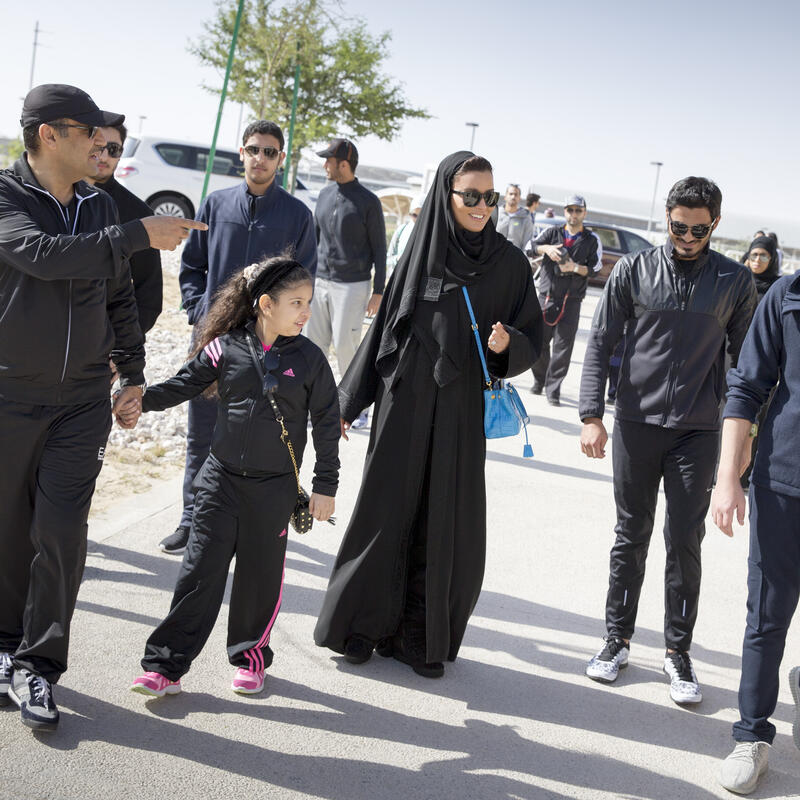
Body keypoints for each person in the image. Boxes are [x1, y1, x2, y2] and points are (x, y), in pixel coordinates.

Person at [0, 83, 204, 732]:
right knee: (8, 532)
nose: (100, 144)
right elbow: (40, 257)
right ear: (49, 135)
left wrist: (135, 376)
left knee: (61, 534)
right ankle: (5, 645)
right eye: (89, 132)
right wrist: (137, 234)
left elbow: (118, 300)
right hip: (8, 397)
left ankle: (38, 666)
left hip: (81, 405)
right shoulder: (5, 198)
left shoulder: (98, 207)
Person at [314, 151, 543, 678]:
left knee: (444, 521)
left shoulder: (508, 264)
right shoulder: (419, 252)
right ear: (446, 195)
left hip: (461, 411)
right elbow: (383, 333)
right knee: (383, 513)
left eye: (490, 196)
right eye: (471, 196)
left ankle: (423, 640)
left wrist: (509, 344)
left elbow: (535, 337)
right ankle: (359, 628)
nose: (483, 206)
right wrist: (350, 401)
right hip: (404, 403)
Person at [124, 256, 339, 698]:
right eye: (296, 302)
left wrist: (325, 487)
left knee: (259, 580)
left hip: (273, 490)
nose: (306, 312)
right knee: (198, 575)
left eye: (309, 302)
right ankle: (164, 666)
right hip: (219, 483)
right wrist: (138, 402)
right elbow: (183, 384)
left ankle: (249, 658)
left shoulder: (312, 359)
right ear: (264, 304)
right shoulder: (226, 348)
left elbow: (327, 423)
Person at [578, 176, 757, 706]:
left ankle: (678, 652)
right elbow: (602, 340)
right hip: (635, 422)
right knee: (630, 534)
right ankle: (616, 640)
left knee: (685, 540)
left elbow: (747, 367)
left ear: (716, 224)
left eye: (699, 229)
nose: (687, 237)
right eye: (678, 227)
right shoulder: (633, 269)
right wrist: (591, 414)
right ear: (666, 218)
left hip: (699, 432)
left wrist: (744, 437)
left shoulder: (734, 281)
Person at [163, 120, 317, 557]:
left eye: (270, 152)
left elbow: (305, 280)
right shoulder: (215, 204)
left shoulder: (297, 216)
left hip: (268, 350)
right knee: (202, 434)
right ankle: (192, 521)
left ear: (281, 159)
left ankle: (248, 528)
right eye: (253, 149)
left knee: (259, 437)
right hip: (215, 341)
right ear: (241, 153)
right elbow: (192, 267)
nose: (260, 158)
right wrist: (198, 309)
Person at [712, 271, 800, 793]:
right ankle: (752, 735)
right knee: (766, 618)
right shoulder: (786, 295)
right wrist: (727, 478)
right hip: (783, 482)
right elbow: (746, 385)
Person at [304, 138, 386, 429]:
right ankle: (315, 405)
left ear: (344, 164)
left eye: (329, 160)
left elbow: (380, 249)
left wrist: (379, 291)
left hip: (353, 286)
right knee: (313, 346)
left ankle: (356, 408)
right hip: (320, 282)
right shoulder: (324, 195)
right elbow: (313, 241)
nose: (324, 165)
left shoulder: (368, 201)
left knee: (346, 346)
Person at [85, 122, 163, 335]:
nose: (104, 156)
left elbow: (149, 295)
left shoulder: (138, 212)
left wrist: (120, 346)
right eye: (98, 146)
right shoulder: (54, 199)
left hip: (104, 347)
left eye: (114, 149)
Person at [530, 195, 600, 405]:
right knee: (538, 342)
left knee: (563, 348)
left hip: (572, 301)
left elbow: (596, 269)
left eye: (578, 210)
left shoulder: (591, 239)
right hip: (547, 297)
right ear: (565, 212)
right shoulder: (552, 232)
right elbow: (530, 246)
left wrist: (575, 268)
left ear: (584, 213)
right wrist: (547, 249)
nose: (574, 214)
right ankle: (539, 379)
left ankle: (554, 389)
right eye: (570, 210)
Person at [738, 235, 781, 488]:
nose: (757, 260)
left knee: (757, 421)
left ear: (772, 258)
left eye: (763, 255)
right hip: (736, 357)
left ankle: (747, 474)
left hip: (765, 363)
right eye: (753, 255)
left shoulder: (777, 288)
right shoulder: (739, 282)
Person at [386, 195, 423, 277]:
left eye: (421, 216)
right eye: (414, 215)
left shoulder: (430, 234)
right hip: (399, 277)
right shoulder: (402, 230)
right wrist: (397, 259)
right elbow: (388, 258)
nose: (417, 219)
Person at [496, 183, 534, 251]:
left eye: (516, 194)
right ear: (505, 196)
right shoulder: (496, 214)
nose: (513, 197)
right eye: (511, 194)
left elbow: (527, 243)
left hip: (513, 259)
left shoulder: (526, 218)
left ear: (519, 198)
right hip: (493, 257)